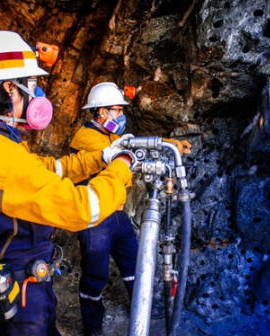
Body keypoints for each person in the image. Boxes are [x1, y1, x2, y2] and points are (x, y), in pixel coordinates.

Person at [0, 31, 135, 335]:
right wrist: (122, 166)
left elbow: (48, 169)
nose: (38, 95)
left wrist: (103, 157)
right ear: (9, 88)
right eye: (32, 85)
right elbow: (84, 208)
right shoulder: (2, 161)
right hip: (23, 299)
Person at [70, 82, 190, 336]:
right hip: (93, 219)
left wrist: (169, 142)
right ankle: (92, 326)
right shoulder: (86, 138)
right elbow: (127, 150)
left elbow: (129, 142)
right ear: (100, 112)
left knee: (133, 261)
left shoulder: (110, 135)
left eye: (121, 110)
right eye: (115, 110)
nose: (121, 116)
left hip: (116, 212)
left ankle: (143, 307)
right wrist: (165, 146)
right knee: (96, 274)